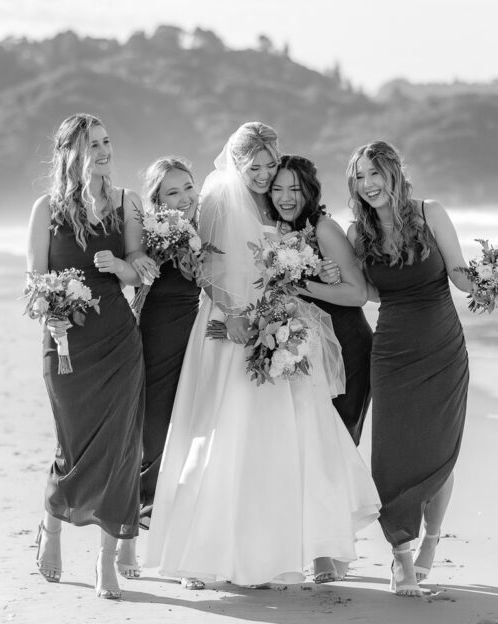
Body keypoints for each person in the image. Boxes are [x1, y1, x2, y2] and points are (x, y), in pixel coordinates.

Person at [144, 122, 380, 587]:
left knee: (290, 437)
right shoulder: (216, 197)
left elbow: (288, 259)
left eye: (272, 164)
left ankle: (286, 549)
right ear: (237, 163)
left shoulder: (273, 203)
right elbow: (204, 267)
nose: (265, 174)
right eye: (257, 166)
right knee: (224, 433)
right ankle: (204, 552)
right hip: (226, 330)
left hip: (274, 322)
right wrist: (232, 315)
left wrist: (313, 276)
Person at [26, 113, 145, 600]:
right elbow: (34, 279)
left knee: (119, 450)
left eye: (106, 141)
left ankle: (104, 560)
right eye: (91, 144)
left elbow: (141, 270)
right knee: (72, 447)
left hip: (118, 343)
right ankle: (52, 527)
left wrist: (120, 265)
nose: (103, 150)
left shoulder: (126, 203)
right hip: (65, 347)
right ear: (69, 154)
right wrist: (49, 314)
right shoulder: (45, 209)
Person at [345, 140, 471, 597]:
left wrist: (496, 284)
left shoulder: (429, 213)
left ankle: (431, 541)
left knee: (439, 451)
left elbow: (458, 272)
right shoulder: (358, 235)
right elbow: (368, 293)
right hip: (394, 351)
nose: (368, 184)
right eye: (360, 177)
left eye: (375, 173)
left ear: (395, 172)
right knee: (393, 455)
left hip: (442, 346)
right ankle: (400, 558)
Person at [124, 157, 206, 589]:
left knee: (188, 447)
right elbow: (127, 280)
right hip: (152, 343)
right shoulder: (147, 234)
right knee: (151, 443)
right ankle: (127, 538)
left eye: (189, 187)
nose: (185, 198)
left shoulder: (204, 231)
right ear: (157, 199)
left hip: (195, 347)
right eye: (173, 192)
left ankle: (184, 556)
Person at [268, 155, 373, 446]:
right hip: (311, 350)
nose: (286, 198)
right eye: (278, 189)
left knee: (339, 441)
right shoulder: (281, 231)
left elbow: (358, 293)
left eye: (296, 189)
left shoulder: (323, 228)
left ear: (310, 191)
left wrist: (298, 287)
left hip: (347, 347)